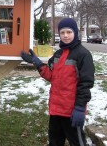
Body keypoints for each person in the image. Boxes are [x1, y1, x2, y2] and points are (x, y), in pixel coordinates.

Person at [21, 18, 94, 146]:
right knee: (54, 142)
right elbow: (52, 76)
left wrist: (80, 108)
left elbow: (86, 84)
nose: (65, 35)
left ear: (75, 33)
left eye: (69, 32)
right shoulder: (58, 54)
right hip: (56, 110)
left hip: (72, 111)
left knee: (77, 142)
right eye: (62, 32)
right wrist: (37, 63)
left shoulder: (83, 54)